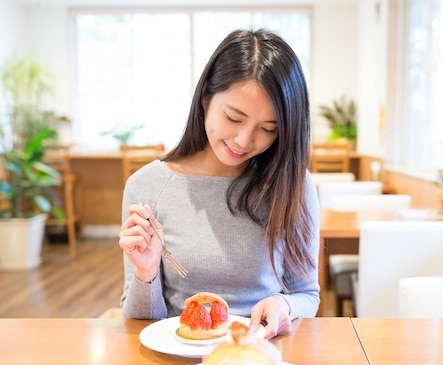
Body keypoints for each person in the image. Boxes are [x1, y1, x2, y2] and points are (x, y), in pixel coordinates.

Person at [118, 28, 320, 339]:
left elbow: (307, 294)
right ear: (205, 98)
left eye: (268, 129)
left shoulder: (292, 183)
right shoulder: (148, 185)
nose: (244, 140)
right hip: (177, 356)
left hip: (260, 356)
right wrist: (146, 275)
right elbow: (141, 323)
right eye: (234, 118)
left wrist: (285, 304)